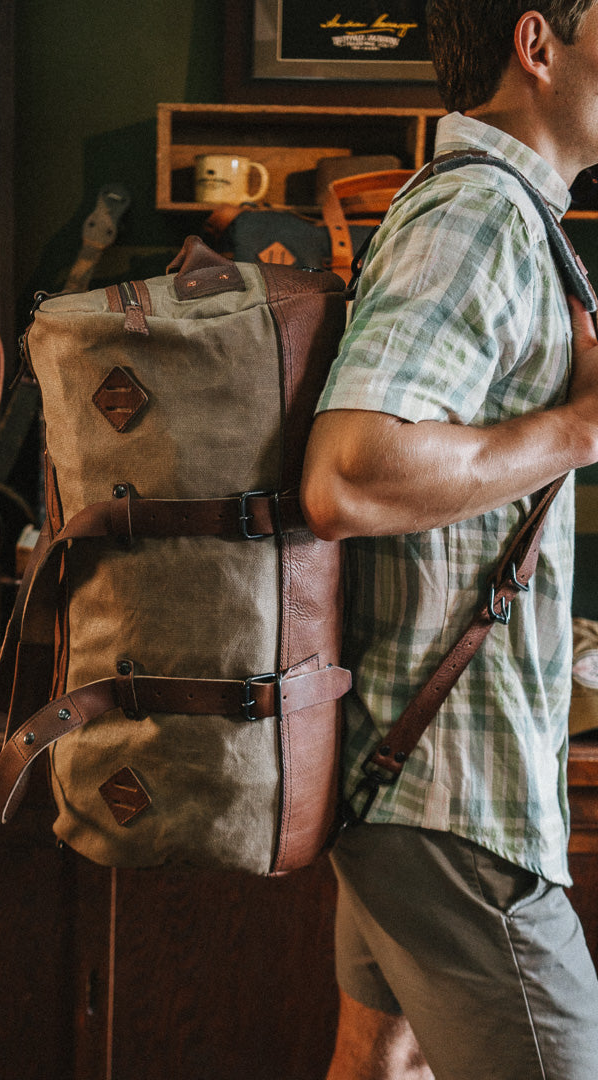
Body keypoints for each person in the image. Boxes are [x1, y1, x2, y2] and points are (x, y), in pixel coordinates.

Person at [300, 3, 598, 1078]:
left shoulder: (502, 213)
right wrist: (582, 426)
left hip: (417, 779)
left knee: (383, 1064)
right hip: (454, 802)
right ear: (539, 43)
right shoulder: (478, 217)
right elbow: (350, 475)